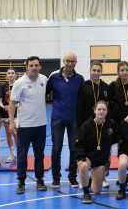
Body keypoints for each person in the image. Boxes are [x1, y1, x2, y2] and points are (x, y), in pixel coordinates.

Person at [9, 56, 48, 194]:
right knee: (22, 155)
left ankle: (40, 180)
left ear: (40, 66)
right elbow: (12, 103)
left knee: (39, 155)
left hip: (41, 125)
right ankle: (21, 182)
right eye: (31, 65)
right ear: (26, 66)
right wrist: (12, 122)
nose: (33, 68)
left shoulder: (44, 79)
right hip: (24, 126)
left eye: (36, 65)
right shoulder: (19, 83)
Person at [47, 51, 84, 188]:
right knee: (56, 149)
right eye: (67, 61)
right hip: (57, 118)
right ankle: (56, 177)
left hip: (74, 119)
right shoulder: (54, 77)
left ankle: (72, 176)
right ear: (63, 61)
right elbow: (43, 94)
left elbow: (82, 98)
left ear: (76, 63)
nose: (69, 64)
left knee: (74, 149)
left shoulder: (79, 79)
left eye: (72, 61)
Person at [75, 101, 118, 204]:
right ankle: (86, 193)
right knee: (83, 166)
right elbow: (78, 144)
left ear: (107, 112)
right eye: (99, 109)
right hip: (88, 157)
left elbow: (120, 136)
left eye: (104, 109)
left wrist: (126, 122)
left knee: (96, 191)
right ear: (94, 111)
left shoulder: (112, 125)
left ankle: (89, 180)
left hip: (101, 160)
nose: (101, 111)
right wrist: (81, 157)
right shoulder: (86, 125)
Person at [78, 61, 109, 127]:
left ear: (101, 72)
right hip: (86, 121)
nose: (96, 73)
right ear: (90, 71)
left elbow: (108, 105)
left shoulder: (105, 86)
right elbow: (80, 105)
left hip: (102, 121)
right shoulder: (83, 86)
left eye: (98, 71)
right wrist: (79, 123)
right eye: (94, 70)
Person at [0, 68, 17, 163]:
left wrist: (12, 107)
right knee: (8, 134)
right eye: (8, 73)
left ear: (16, 75)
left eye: (12, 73)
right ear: (6, 75)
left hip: (17, 115)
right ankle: (12, 154)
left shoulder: (19, 85)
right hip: (5, 114)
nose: (10, 75)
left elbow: (23, 100)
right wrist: (3, 107)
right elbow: (0, 100)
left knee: (17, 135)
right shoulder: (3, 86)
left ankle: (20, 153)